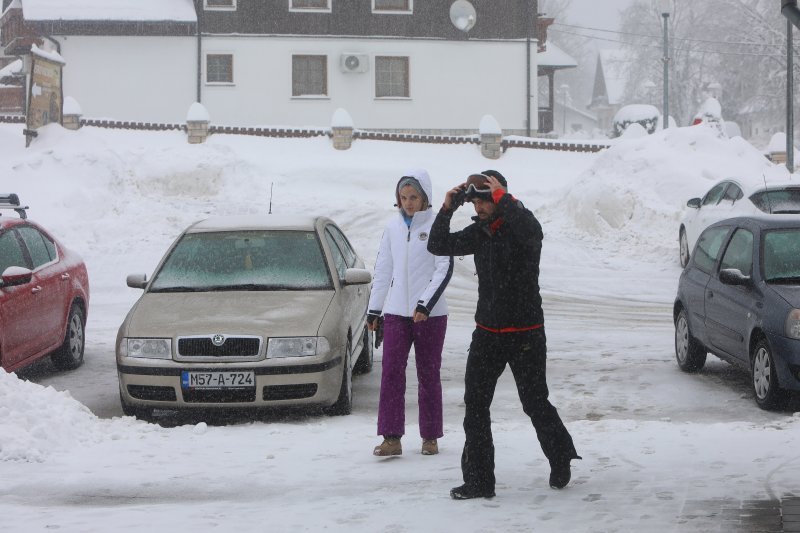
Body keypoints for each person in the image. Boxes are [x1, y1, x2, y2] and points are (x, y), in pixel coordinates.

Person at [426, 170, 580, 499]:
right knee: (475, 406)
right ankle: (480, 481)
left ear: (499, 197)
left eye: (484, 200)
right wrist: (447, 209)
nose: (479, 207)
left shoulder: (521, 225)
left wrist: (504, 199)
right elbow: (438, 245)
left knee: (534, 402)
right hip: (487, 334)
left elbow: (532, 232)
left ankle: (561, 455)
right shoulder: (481, 233)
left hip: (525, 333)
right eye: (475, 201)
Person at [368, 169, 454, 457]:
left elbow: (443, 270)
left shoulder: (436, 227)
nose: (408, 202)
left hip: (431, 314)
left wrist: (425, 305)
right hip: (396, 314)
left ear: (424, 196)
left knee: (428, 373)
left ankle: (430, 436)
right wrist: (375, 310)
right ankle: (391, 437)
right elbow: (383, 271)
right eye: (403, 197)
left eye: (413, 197)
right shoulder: (392, 228)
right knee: (391, 372)